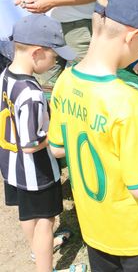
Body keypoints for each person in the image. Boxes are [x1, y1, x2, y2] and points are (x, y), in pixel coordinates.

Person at [48, 0, 138, 271]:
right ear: (132, 36)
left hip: (96, 229)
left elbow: (57, 148)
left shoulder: (65, 80)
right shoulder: (126, 100)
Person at [0, 14, 80, 272]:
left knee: (27, 212)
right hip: (36, 170)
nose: (57, 60)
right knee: (46, 220)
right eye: (55, 56)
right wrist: (63, 133)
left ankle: (37, 251)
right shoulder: (32, 94)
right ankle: (45, 267)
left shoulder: (6, 74)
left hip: (12, 165)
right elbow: (33, 143)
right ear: (36, 53)